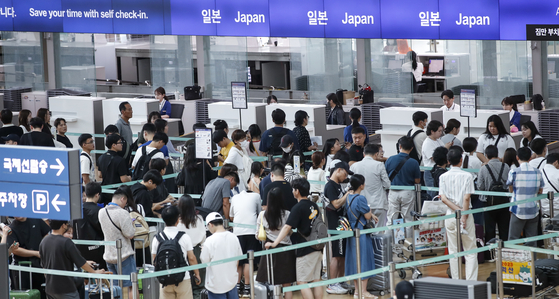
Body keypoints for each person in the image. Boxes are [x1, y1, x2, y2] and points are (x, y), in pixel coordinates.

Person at [266, 178, 323, 299]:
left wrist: (275, 243)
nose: (292, 191)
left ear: (297, 191)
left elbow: (287, 227)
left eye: (293, 189)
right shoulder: (314, 206)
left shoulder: (298, 208)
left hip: (305, 249)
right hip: (318, 247)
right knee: (316, 280)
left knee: (301, 282)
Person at [39, 219, 106, 299]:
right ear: (63, 225)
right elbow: (81, 263)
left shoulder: (44, 241)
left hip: (50, 289)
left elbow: (44, 265)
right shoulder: (66, 242)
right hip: (66, 289)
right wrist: (94, 272)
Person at [439, 148, 478, 281]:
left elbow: (443, 199)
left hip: (450, 215)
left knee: (453, 251)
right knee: (470, 250)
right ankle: (471, 281)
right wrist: (463, 214)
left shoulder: (442, 177)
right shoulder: (467, 176)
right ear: (461, 160)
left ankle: (456, 281)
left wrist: (457, 211)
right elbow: (467, 198)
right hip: (466, 214)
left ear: (448, 161)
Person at [151, 206, 201, 299]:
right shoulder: (184, 237)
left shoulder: (157, 238)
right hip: (183, 278)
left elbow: (155, 260)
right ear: (178, 220)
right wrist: (197, 274)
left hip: (164, 280)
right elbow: (191, 258)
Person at [255, 187, 296, 299]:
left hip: (269, 251)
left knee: (272, 283)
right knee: (287, 285)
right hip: (286, 250)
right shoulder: (287, 214)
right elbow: (290, 232)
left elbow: (258, 235)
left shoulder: (262, 215)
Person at [98, 186, 137, 299]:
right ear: (122, 199)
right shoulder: (123, 213)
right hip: (124, 254)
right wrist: (132, 225)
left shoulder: (101, 212)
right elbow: (130, 234)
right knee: (131, 286)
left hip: (109, 255)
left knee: (115, 288)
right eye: (126, 202)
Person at [345, 174, 379, 299]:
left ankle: (357, 291)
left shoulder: (348, 197)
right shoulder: (361, 198)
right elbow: (367, 216)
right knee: (364, 260)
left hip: (351, 233)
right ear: (361, 185)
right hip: (362, 233)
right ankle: (364, 291)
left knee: (354, 261)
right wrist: (370, 212)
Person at [323, 162, 352, 295]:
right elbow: (335, 204)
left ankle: (340, 281)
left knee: (342, 255)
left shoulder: (338, 185)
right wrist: (347, 195)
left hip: (342, 224)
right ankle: (332, 284)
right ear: (338, 170)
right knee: (336, 255)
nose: (345, 177)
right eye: (345, 174)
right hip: (336, 226)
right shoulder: (330, 186)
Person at [507, 147, 544, 247]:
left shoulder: (513, 172)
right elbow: (541, 190)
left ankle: (513, 262)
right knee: (532, 240)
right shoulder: (538, 172)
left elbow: (511, 189)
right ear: (530, 158)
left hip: (518, 209)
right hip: (533, 209)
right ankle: (532, 261)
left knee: (513, 239)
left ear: (517, 157)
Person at [201, 212, 243, 299]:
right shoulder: (234, 237)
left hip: (216, 284)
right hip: (232, 281)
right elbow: (238, 259)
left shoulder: (209, 241)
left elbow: (204, 261)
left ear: (210, 224)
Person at [386, 136, 421, 236]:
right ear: (412, 148)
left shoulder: (390, 160)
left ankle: (389, 244)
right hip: (408, 192)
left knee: (391, 218)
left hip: (393, 191)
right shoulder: (414, 162)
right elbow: (417, 180)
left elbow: (386, 176)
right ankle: (408, 245)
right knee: (408, 220)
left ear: (399, 146)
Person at [229, 188, 261, 297]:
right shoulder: (256, 196)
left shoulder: (235, 197)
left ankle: (237, 286)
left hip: (237, 232)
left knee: (239, 260)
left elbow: (231, 216)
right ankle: (247, 287)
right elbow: (259, 213)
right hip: (252, 231)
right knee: (249, 260)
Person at [350, 143, 391, 227]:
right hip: (378, 203)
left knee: (362, 231)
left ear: (363, 154)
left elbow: (350, 185)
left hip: (360, 204)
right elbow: (387, 184)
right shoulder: (379, 165)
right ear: (376, 154)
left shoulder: (354, 166)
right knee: (378, 233)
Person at [477, 145, 511, 245]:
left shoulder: (484, 168)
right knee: (504, 228)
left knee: (489, 228)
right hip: (504, 201)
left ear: (486, 155)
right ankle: (505, 251)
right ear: (497, 154)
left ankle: (490, 253)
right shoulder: (506, 167)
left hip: (488, 202)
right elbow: (509, 183)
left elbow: (480, 186)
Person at [7, 217, 50, 292]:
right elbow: (15, 250)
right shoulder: (11, 228)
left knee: (41, 292)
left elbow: (46, 233)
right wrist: (36, 253)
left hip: (39, 265)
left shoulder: (36, 219)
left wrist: (43, 249)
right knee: (25, 293)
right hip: (21, 268)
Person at [177, 195, 207, 298]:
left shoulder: (177, 221)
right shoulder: (199, 219)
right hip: (197, 252)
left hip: (180, 253)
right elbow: (203, 237)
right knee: (199, 283)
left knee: (184, 284)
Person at [79, 182, 107, 270]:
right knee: (101, 277)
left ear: (85, 194)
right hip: (98, 249)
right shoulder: (101, 211)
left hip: (80, 250)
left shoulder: (77, 211)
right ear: (97, 195)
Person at [97, 134, 131, 204]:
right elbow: (124, 179)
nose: (122, 144)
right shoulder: (120, 160)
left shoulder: (101, 158)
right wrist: (130, 178)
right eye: (120, 142)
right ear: (113, 145)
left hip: (105, 191)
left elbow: (99, 175)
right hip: (117, 193)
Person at [422, 120, 452, 197]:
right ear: (432, 131)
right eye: (439, 131)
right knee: (433, 193)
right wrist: (445, 148)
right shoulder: (427, 143)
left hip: (440, 169)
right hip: (431, 171)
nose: (440, 133)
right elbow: (435, 158)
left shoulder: (439, 140)